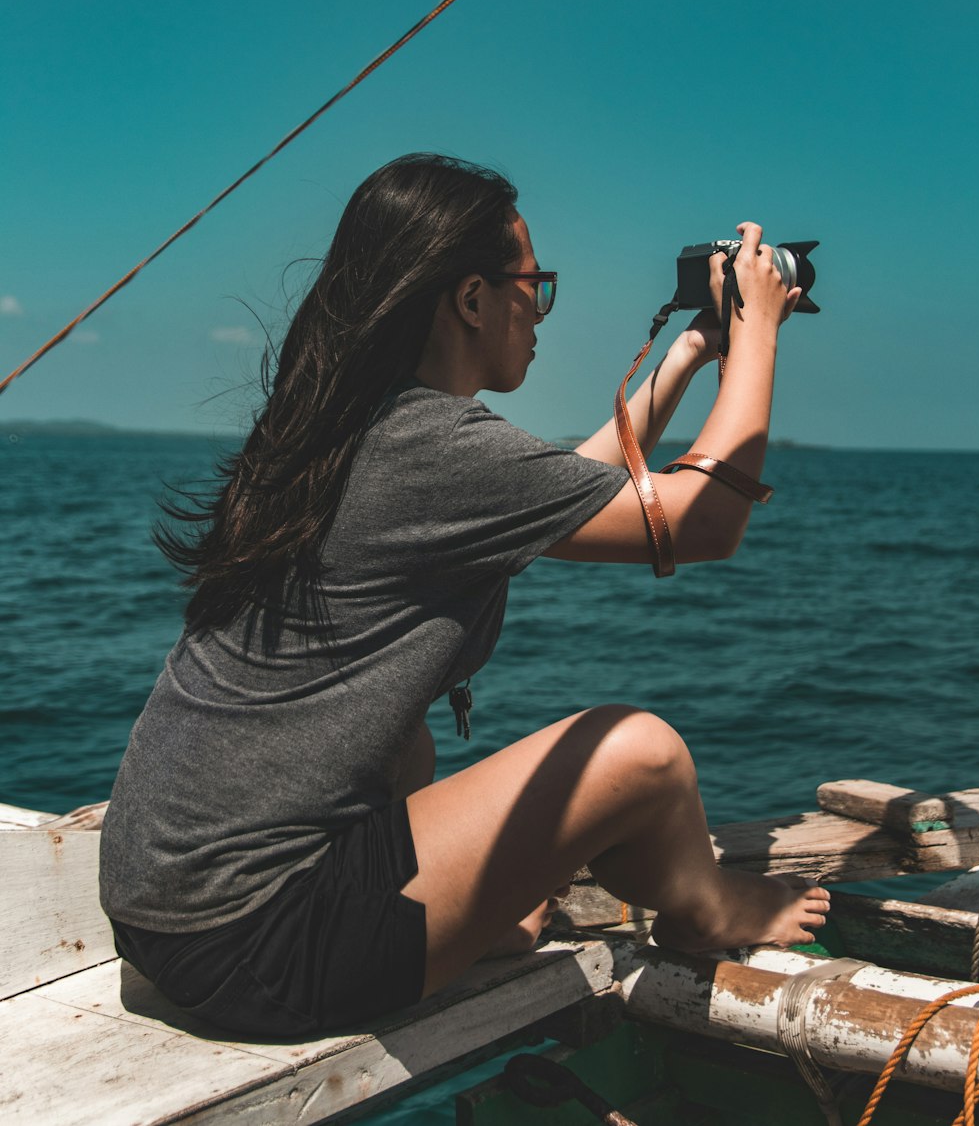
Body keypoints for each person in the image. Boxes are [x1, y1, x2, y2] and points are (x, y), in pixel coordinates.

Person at [99, 152, 828, 1039]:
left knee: (407, 751)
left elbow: (558, 492)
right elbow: (705, 523)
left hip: (161, 917)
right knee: (641, 753)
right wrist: (758, 335)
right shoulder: (432, 447)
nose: (540, 311)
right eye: (535, 284)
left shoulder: (345, 428)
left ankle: (465, 916)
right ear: (472, 299)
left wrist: (686, 358)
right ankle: (708, 906)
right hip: (263, 946)